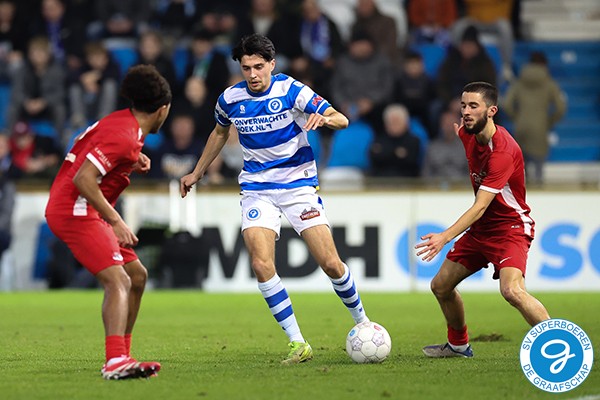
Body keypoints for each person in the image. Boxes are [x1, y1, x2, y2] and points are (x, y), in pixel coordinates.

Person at [180, 33, 369, 364]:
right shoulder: (229, 99)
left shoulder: (291, 90)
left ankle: (363, 322)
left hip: (298, 186)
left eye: (258, 67)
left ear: (272, 64)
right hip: (257, 187)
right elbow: (220, 133)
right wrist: (197, 172)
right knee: (260, 263)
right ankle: (298, 343)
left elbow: (342, 118)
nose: (252, 74)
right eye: (246, 68)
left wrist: (324, 118)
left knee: (330, 263)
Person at [44, 65, 172, 379]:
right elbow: (83, 178)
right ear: (163, 109)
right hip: (76, 210)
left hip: (86, 208)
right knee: (119, 281)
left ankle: (123, 355)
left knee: (137, 276)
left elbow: (92, 148)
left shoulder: (123, 123)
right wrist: (116, 220)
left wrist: (130, 161)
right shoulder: (124, 137)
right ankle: (115, 361)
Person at [415, 82, 550, 358]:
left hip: (510, 228)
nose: (466, 111)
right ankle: (458, 346)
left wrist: (444, 237)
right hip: (481, 231)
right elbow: (480, 213)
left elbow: (479, 207)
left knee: (512, 291)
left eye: (473, 106)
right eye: (463, 105)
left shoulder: (503, 152)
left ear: (492, 111)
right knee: (440, 286)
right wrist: (460, 131)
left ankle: (563, 343)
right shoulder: (467, 134)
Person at [503, 51, 566, 185]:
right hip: (540, 127)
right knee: (539, 167)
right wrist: (550, 121)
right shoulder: (549, 83)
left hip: (521, 126)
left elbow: (506, 104)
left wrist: (516, 118)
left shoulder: (519, 82)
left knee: (521, 166)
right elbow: (560, 108)